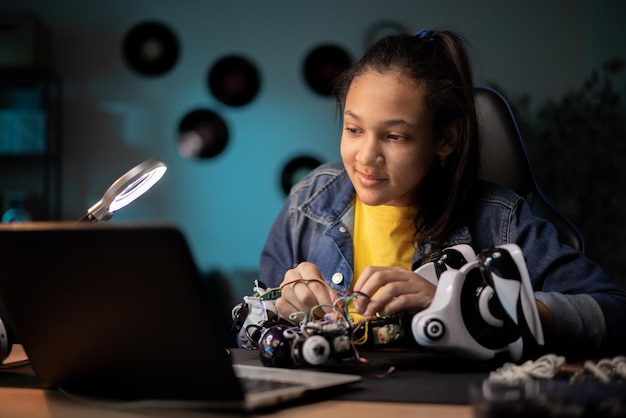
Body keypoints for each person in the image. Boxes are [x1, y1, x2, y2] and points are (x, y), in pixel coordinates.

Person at [259, 28, 626, 360]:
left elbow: (614, 312)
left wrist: (462, 306)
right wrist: (280, 311)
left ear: (445, 139)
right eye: (354, 129)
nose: (366, 156)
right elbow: (250, 329)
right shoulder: (308, 204)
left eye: (394, 136)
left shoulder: (498, 220)